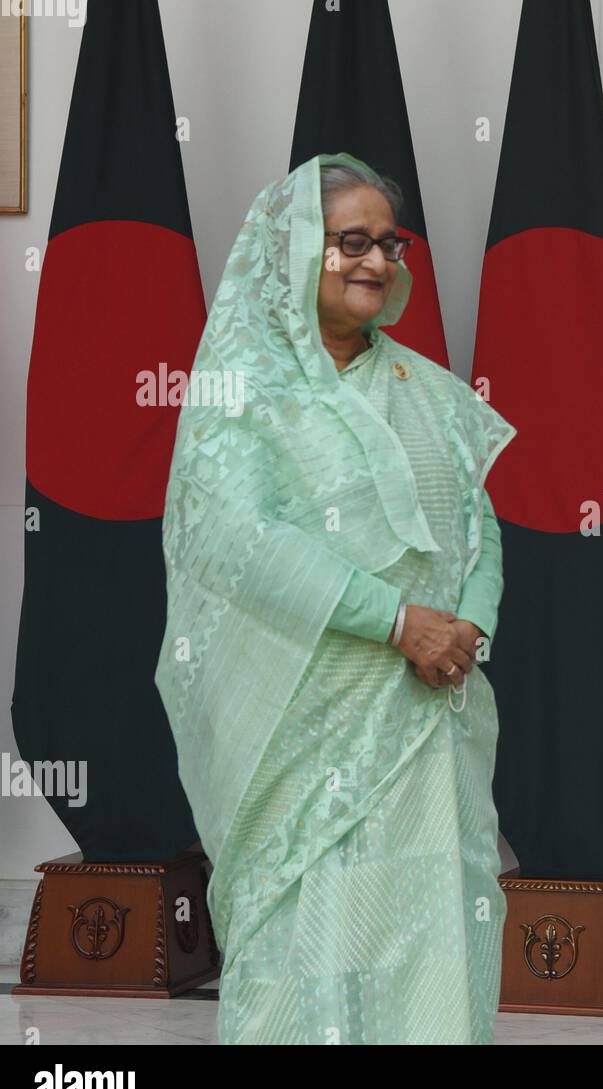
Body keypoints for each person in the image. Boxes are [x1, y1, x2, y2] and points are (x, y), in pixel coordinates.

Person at [154, 152, 516, 1043]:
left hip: (432, 714)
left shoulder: (427, 388)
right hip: (304, 726)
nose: (377, 263)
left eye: (388, 245)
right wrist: (396, 622)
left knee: (433, 939)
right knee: (307, 947)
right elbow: (239, 541)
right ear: (294, 250)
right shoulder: (246, 394)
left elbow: (480, 525)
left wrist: (467, 627)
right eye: (349, 241)